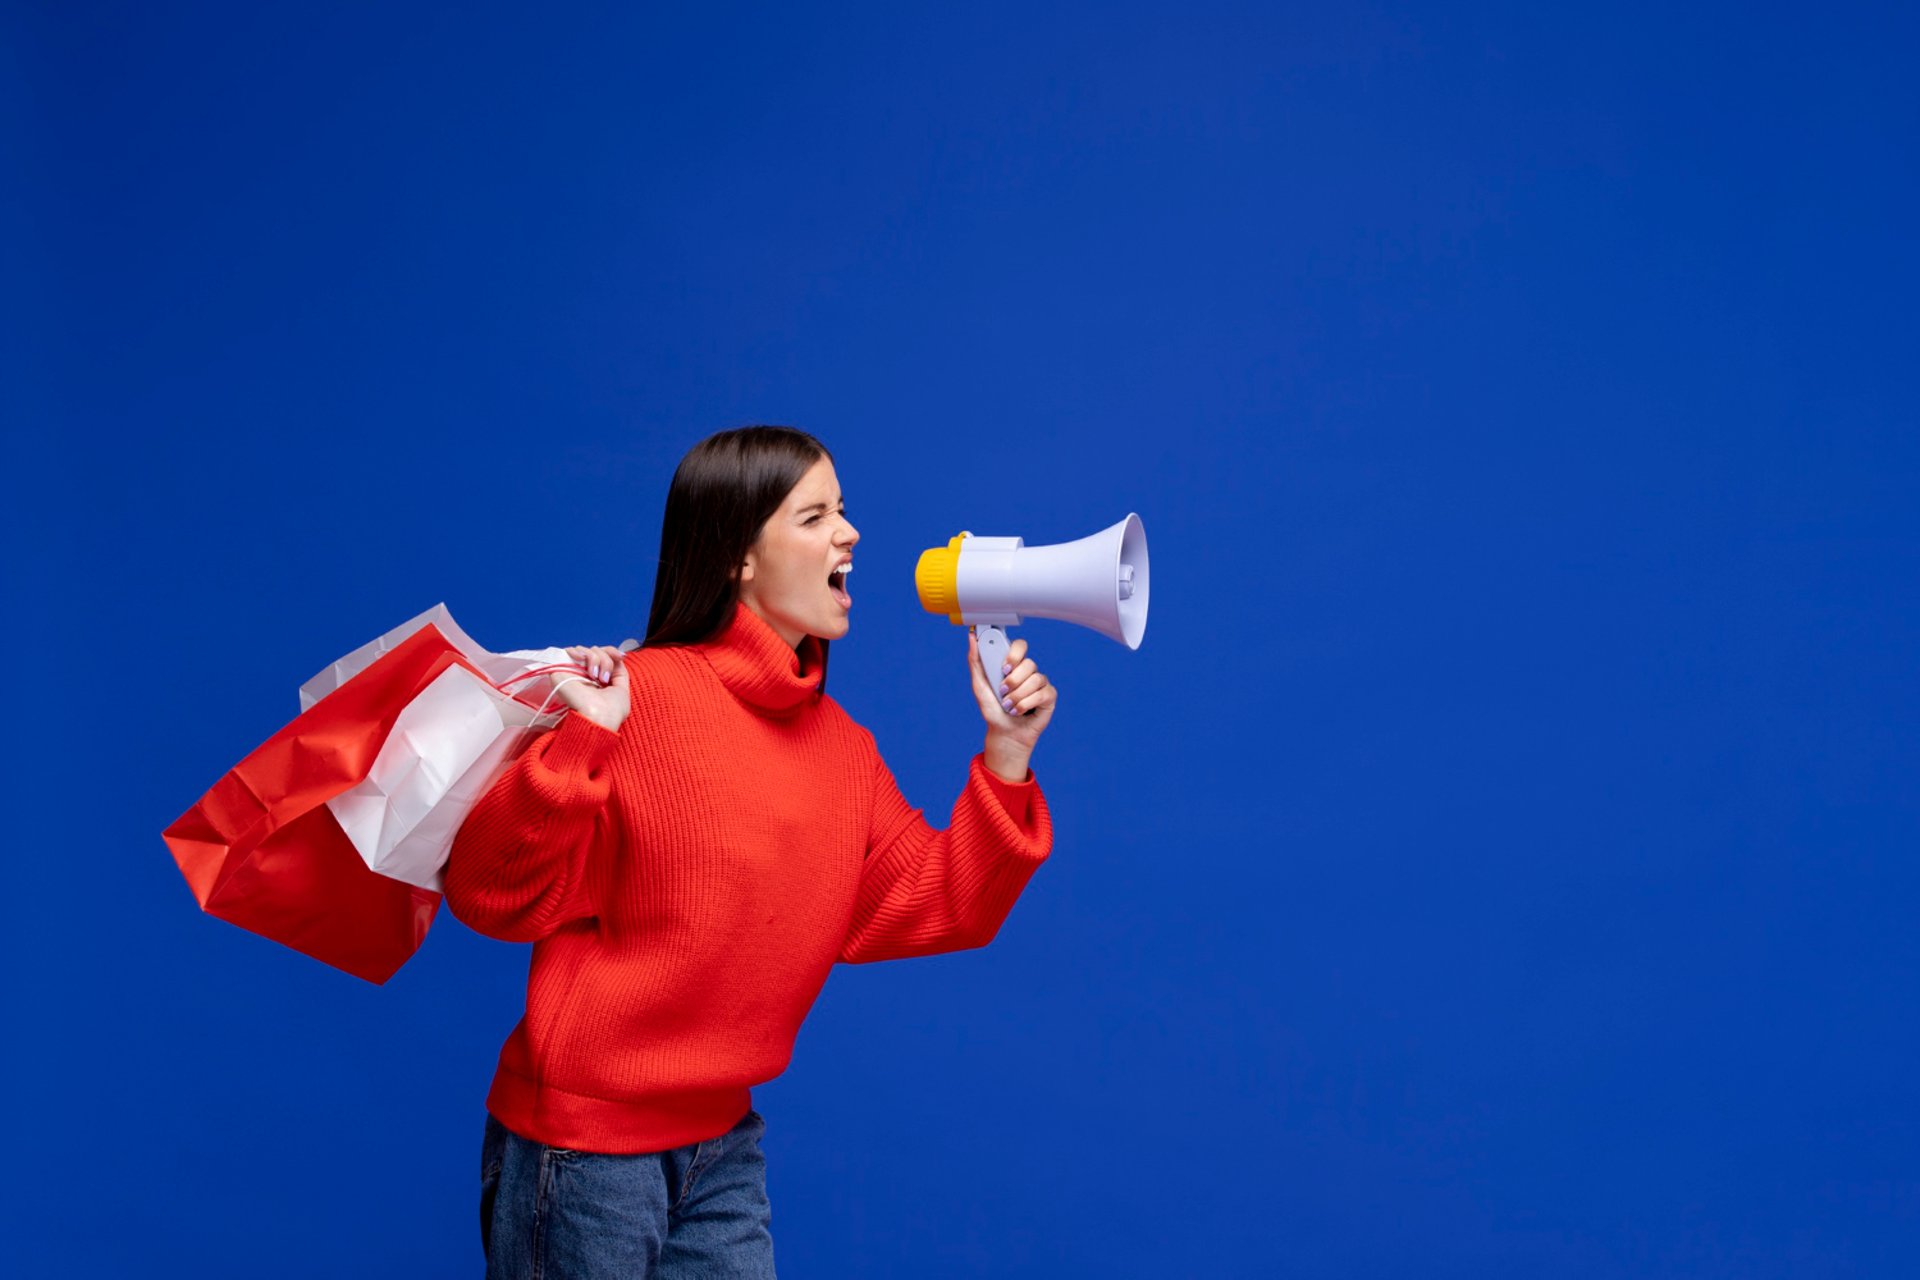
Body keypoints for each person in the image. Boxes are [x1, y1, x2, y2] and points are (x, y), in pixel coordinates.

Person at [447, 425, 1058, 1278]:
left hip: (722, 1142)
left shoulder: (842, 748)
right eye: (815, 517)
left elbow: (937, 899)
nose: (850, 533)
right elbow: (491, 895)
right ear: (738, 555)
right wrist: (582, 740)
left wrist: (1007, 756)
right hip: (585, 1147)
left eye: (843, 510)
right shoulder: (634, 698)